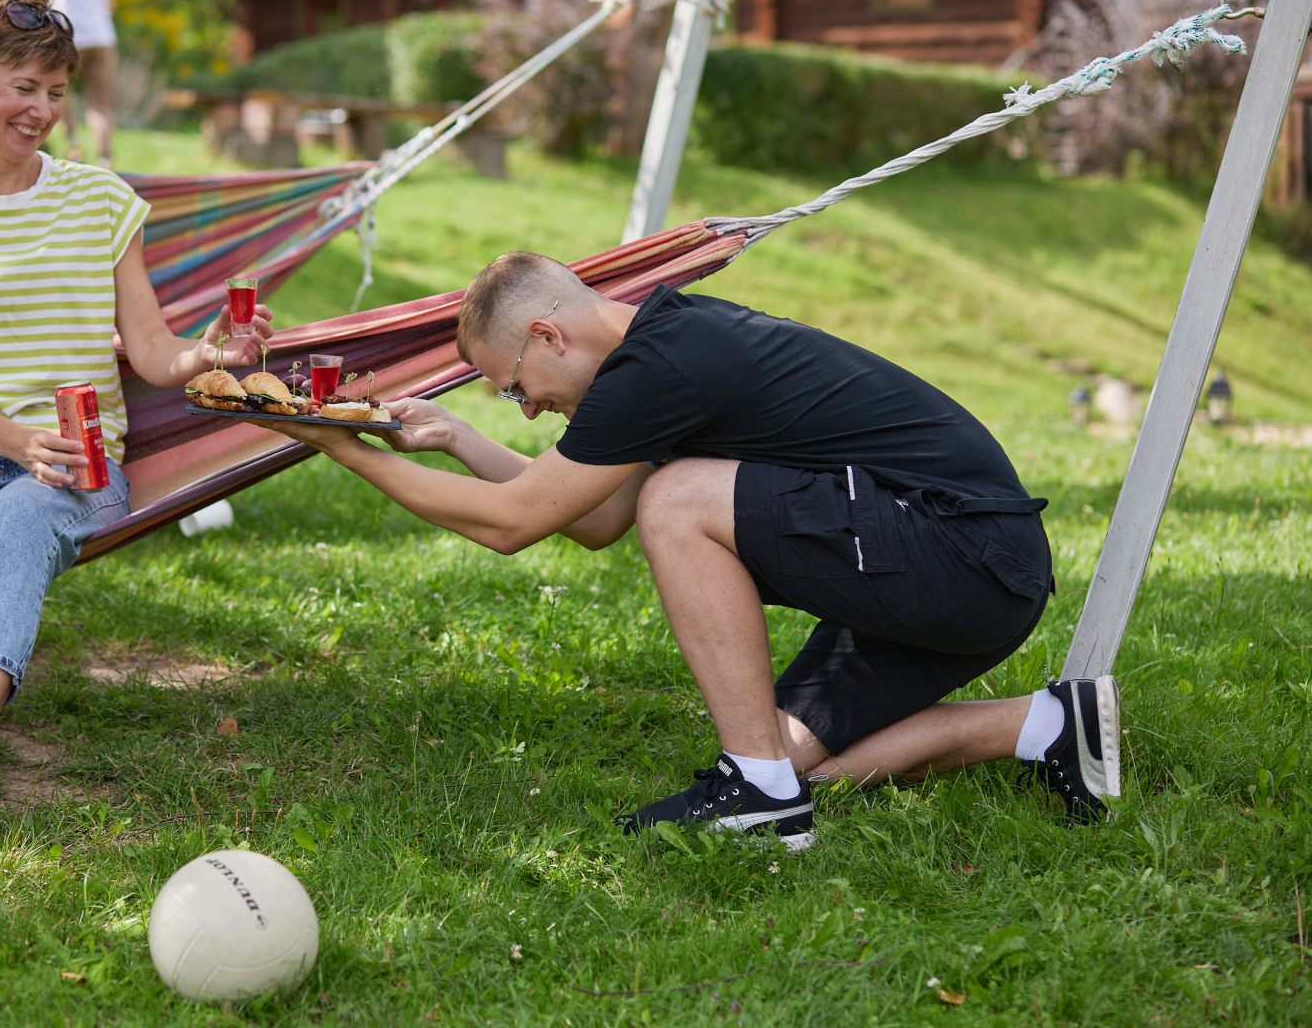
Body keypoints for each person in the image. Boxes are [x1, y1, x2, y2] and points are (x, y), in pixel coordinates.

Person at [264, 252, 1119, 849]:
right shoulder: (656, 358)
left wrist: (341, 449)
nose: (523, 410)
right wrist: (454, 439)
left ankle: (754, 794)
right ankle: (1045, 726)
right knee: (796, 760)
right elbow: (595, 518)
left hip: (960, 554)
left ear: (548, 336)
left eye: (515, 388)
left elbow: (512, 524)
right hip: (956, 570)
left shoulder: (662, 367)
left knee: (681, 499)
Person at [0, 0, 273, 824]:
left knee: (18, 520)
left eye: (56, 90)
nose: (42, 109)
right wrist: (13, 437)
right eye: (23, 86)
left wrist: (211, 352)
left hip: (76, 463)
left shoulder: (102, 203)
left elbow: (152, 353)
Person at [33, 0, 120, 167]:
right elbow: (111, 1)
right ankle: (104, 159)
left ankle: (73, 148)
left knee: (59, 93)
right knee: (100, 102)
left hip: (68, 34)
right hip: (102, 36)